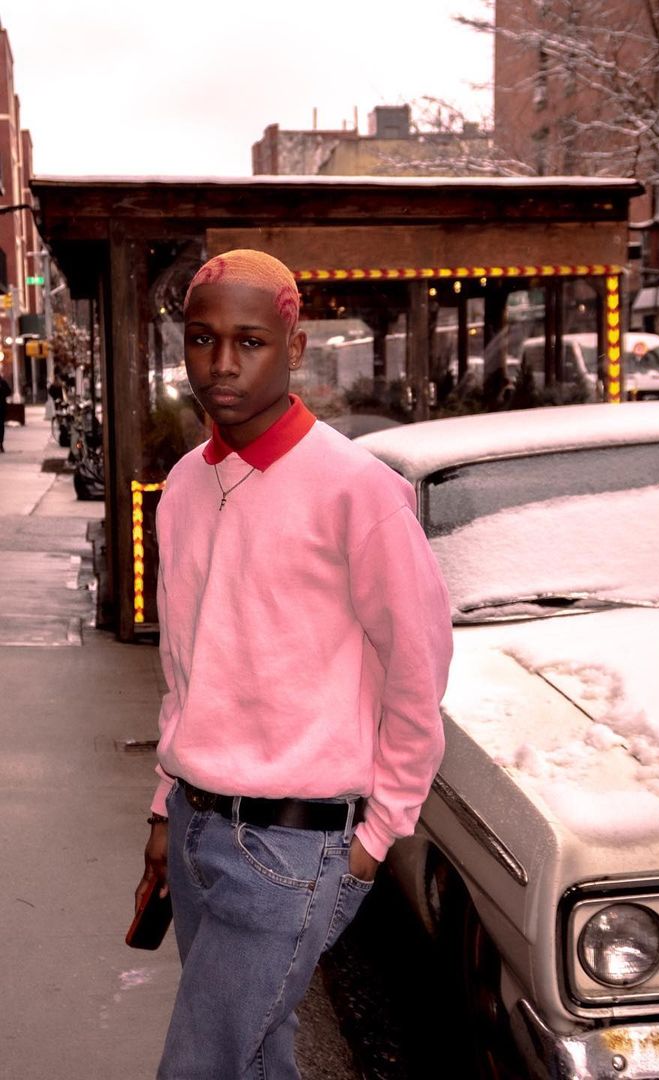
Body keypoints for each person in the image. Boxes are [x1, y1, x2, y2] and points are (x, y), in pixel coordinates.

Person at [134, 249, 453, 1079]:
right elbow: (186, 670)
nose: (222, 363)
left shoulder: (357, 490)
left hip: (291, 850)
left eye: (250, 341)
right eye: (202, 339)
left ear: (295, 346)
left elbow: (418, 671)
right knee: (255, 1057)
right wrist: (166, 810)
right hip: (197, 829)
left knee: (202, 1067)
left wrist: (378, 835)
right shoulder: (183, 487)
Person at [0, 365, 11, 452]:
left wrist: (1, 391)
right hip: (2, 407)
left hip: (1, 408)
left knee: (1, 426)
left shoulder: (2, 382)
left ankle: (1, 443)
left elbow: (8, 392)